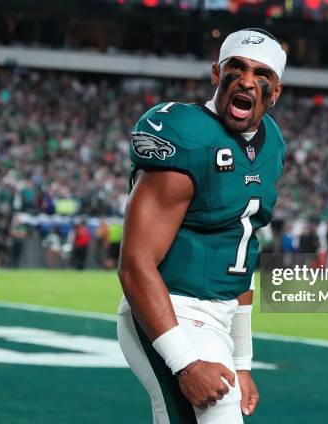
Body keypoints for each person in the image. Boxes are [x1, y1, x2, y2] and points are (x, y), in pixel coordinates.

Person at [116, 28, 286, 423]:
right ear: (216, 74)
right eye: (237, 68)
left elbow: (242, 252)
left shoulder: (271, 142)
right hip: (169, 308)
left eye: (262, 74)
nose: (246, 80)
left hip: (220, 315)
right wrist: (187, 363)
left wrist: (242, 362)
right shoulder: (186, 135)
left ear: (275, 92)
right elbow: (135, 262)